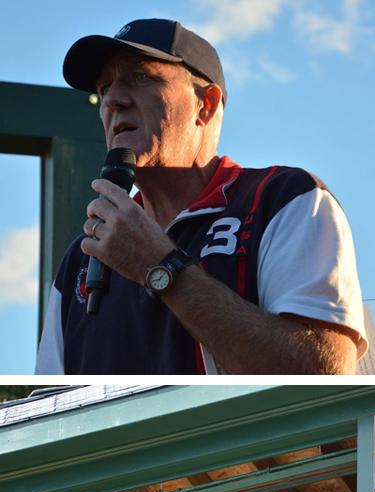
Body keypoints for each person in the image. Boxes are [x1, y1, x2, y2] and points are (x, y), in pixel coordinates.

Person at [35, 18, 368, 375]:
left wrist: (161, 268)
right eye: (104, 89)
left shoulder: (284, 199)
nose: (113, 100)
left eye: (142, 77)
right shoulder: (81, 260)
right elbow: (52, 408)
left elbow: (325, 375)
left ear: (205, 105)